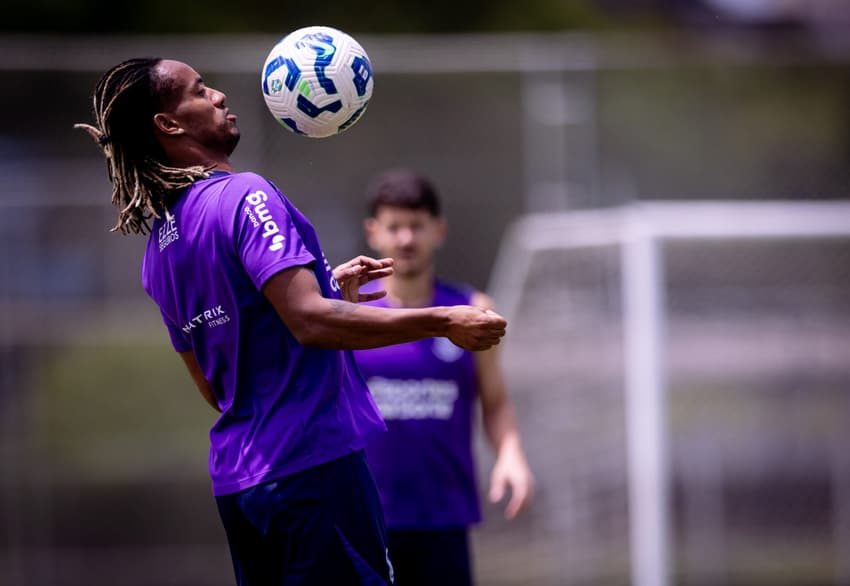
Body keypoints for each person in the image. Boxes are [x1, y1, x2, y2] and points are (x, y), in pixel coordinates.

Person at [75, 57, 507, 586]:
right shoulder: (245, 194)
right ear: (169, 124)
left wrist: (327, 289)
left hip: (242, 485)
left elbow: (217, 385)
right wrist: (442, 320)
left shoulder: (159, 249)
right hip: (313, 469)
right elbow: (309, 321)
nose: (218, 96)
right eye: (199, 90)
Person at [353, 169, 534, 586]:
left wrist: (510, 453)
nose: (406, 239)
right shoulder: (350, 314)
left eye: (416, 226)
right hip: (364, 516)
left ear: (439, 230)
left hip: (442, 518)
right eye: (394, 227)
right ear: (373, 232)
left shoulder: (471, 310)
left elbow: (494, 401)